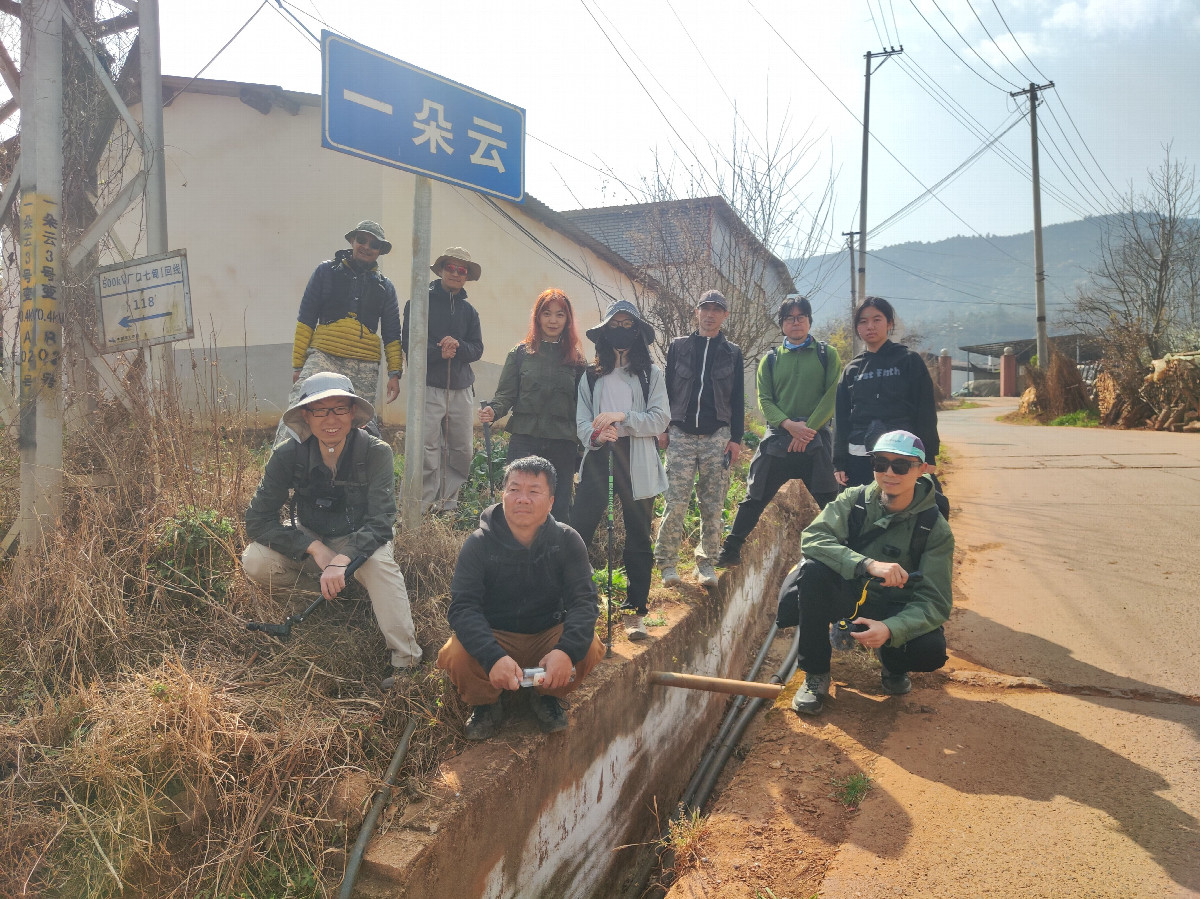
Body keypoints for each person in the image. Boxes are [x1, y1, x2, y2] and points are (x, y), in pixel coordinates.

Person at [244, 371, 422, 688]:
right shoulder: (287, 455)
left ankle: (406, 661)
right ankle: (333, 594)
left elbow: (382, 519)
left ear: (353, 414)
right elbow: (257, 520)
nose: (331, 419)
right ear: (305, 417)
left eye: (340, 408)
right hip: (312, 538)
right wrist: (312, 547)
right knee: (255, 560)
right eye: (320, 410)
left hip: (360, 539)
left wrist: (344, 558)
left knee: (381, 564)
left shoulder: (376, 451)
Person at [782, 430, 953, 716]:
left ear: (922, 469)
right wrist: (866, 564)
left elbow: (935, 602)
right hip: (852, 595)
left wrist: (891, 629)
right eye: (880, 463)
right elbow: (813, 538)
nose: (889, 473)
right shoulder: (855, 500)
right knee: (812, 572)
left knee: (930, 649)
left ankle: (893, 663)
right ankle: (816, 675)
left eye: (901, 465)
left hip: (896, 605)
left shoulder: (934, 527)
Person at [437, 456, 607, 740]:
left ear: (551, 501)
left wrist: (565, 651)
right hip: (496, 634)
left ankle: (546, 695)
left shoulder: (567, 540)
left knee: (588, 646)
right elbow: (463, 608)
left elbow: (584, 602)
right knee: (456, 653)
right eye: (514, 490)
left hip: (547, 634)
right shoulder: (478, 544)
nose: (522, 499)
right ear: (503, 495)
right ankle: (486, 704)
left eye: (534, 491)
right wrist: (492, 658)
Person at [715, 296, 840, 569]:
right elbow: (765, 401)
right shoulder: (769, 360)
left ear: (809, 320)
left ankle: (848, 555)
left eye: (800, 317)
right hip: (778, 440)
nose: (795, 322)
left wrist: (806, 431)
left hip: (814, 440)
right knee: (754, 497)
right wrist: (789, 426)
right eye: (789, 318)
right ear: (782, 324)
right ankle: (730, 550)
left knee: (832, 501)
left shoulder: (826, 354)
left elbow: (832, 396)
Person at [572, 300, 669, 641]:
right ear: (605, 331)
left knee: (638, 537)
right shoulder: (591, 374)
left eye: (629, 325)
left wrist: (622, 418)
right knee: (578, 530)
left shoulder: (650, 374)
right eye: (616, 324)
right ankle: (579, 601)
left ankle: (635, 613)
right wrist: (598, 433)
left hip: (637, 459)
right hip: (601, 457)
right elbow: (582, 421)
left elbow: (660, 418)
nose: (622, 330)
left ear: (638, 331)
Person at [276, 221, 403, 444]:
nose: (366, 246)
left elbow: (392, 333)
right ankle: (279, 470)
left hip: (364, 365)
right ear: (352, 241)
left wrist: (395, 374)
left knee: (356, 424)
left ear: (380, 251)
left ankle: (342, 476)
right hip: (324, 356)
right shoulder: (326, 271)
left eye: (374, 244)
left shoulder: (386, 287)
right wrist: (298, 365)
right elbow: (306, 319)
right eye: (362, 240)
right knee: (300, 412)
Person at [654, 289, 744, 589]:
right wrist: (663, 427)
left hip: (716, 437)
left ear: (724, 316)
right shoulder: (679, 347)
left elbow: (738, 399)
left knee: (713, 504)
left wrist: (736, 438)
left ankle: (706, 563)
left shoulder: (733, 352)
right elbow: (666, 390)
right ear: (697, 312)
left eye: (717, 310)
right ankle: (667, 563)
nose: (710, 314)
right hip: (680, 434)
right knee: (675, 501)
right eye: (705, 308)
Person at [479, 288, 586, 521]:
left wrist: (583, 443)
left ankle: (555, 554)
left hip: (562, 442)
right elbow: (505, 395)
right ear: (537, 317)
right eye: (547, 313)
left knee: (559, 508)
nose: (553, 320)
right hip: (524, 439)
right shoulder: (520, 354)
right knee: (519, 502)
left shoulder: (576, 360)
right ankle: (516, 554)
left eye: (560, 314)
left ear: (568, 320)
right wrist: (493, 411)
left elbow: (582, 406)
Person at [402, 247, 485, 514]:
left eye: (462, 270)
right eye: (451, 267)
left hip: (461, 389)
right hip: (427, 385)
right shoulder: (418, 302)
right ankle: (417, 508)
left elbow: (477, 348)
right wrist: (440, 352)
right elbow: (410, 345)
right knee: (425, 449)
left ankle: (447, 507)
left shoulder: (470, 311)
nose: (456, 273)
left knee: (461, 450)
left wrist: (458, 347)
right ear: (441, 270)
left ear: (467, 277)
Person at [834, 296, 940, 488]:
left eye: (877, 319)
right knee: (859, 511)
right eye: (863, 321)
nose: (870, 326)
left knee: (915, 510)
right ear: (857, 327)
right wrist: (839, 463)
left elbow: (925, 410)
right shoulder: (852, 370)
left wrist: (929, 453)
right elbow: (841, 419)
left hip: (902, 455)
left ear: (889, 323)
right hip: (859, 454)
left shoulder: (909, 361)